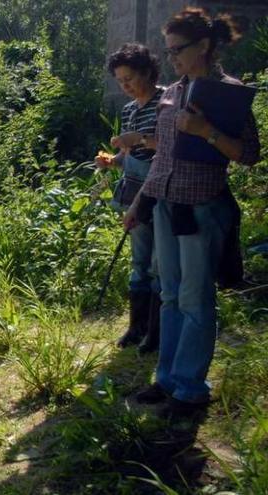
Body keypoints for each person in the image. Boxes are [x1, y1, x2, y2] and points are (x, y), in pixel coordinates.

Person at [129, 8, 260, 419]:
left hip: (203, 207)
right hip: (167, 205)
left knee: (194, 298)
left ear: (204, 46)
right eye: (167, 52)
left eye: (177, 50)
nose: (171, 59)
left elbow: (249, 155)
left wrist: (207, 132)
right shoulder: (171, 92)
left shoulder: (227, 92)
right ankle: (167, 379)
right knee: (169, 295)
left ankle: (190, 389)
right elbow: (163, 159)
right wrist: (139, 203)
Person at [95, 43, 164, 354]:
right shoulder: (128, 110)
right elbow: (128, 156)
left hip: (163, 190)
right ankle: (136, 328)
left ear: (147, 72)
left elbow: (173, 150)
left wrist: (139, 139)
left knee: (158, 264)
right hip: (133, 190)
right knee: (139, 261)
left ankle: (156, 332)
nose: (125, 86)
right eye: (120, 81)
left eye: (130, 79)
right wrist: (112, 160)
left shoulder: (167, 100)